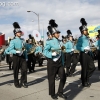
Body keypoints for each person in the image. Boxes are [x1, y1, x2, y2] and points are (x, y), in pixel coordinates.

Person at [43, 19, 67, 100]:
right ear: (53, 34)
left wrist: (64, 49)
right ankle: (52, 94)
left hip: (60, 62)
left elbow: (63, 50)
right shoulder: (49, 42)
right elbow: (44, 51)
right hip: (52, 62)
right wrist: (51, 54)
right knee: (52, 79)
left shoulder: (60, 41)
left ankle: (60, 92)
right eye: (57, 33)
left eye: (59, 33)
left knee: (63, 77)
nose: (59, 34)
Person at [5, 22, 28, 88]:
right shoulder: (13, 41)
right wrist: (16, 51)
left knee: (24, 69)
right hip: (16, 57)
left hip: (22, 56)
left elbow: (25, 49)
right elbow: (10, 49)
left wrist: (26, 57)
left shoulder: (23, 40)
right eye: (18, 32)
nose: (20, 33)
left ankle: (23, 82)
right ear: (15, 33)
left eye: (20, 32)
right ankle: (16, 82)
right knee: (16, 70)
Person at [76, 18, 96, 87]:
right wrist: (84, 49)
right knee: (84, 69)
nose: (87, 31)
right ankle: (84, 82)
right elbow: (77, 47)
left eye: (87, 30)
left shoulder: (87, 38)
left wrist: (92, 44)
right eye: (86, 30)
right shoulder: (80, 38)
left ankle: (86, 78)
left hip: (89, 54)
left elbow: (90, 46)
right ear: (82, 31)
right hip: (83, 54)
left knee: (92, 67)